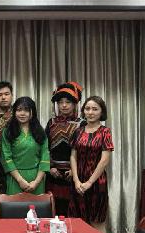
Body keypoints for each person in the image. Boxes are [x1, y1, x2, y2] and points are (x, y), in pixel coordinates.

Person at [69, 95, 114, 224]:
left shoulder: (105, 132)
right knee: (76, 222)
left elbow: (104, 160)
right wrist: (76, 180)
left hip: (96, 182)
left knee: (96, 223)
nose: (90, 112)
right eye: (87, 108)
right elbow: (73, 156)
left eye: (95, 109)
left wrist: (89, 183)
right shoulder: (78, 131)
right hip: (77, 182)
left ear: (101, 112)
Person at [45, 81, 84, 216]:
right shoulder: (51, 123)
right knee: (54, 209)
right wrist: (50, 167)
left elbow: (83, 151)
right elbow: (45, 147)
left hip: (73, 175)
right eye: (60, 102)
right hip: (53, 174)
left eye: (68, 102)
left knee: (73, 210)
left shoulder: (82, 124)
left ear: (75, 104)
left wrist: (74, 170)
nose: (64, 105)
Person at [1, 97, 50, 195]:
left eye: (26, 110)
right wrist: (20, 180)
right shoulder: (8, 132)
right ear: (14, 112)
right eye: (19, 110)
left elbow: (45, 158)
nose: (22, 113)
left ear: (32, 112)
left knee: (36, 205)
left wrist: (36, 182)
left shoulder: (40, 132)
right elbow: (6, 158)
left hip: (36, 179)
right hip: (15, 179)